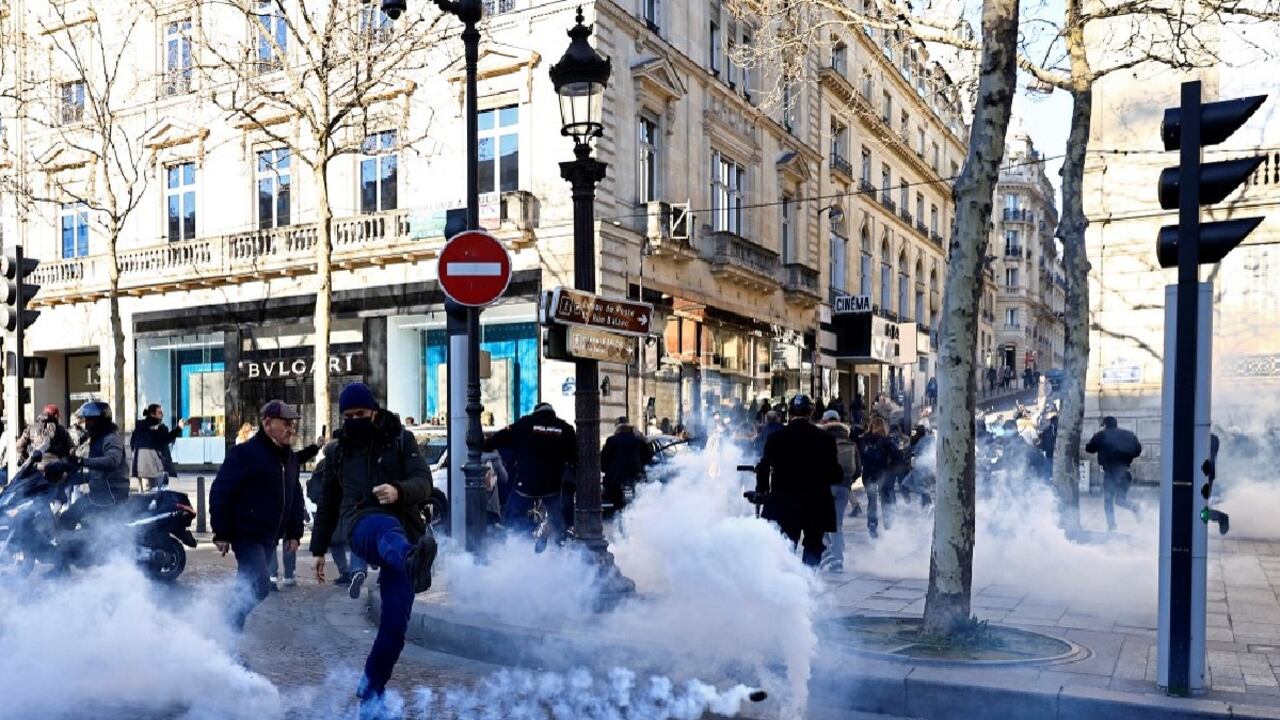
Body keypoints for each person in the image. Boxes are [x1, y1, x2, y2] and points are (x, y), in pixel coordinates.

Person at [310, 382, 437, 714]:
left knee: (395, 628)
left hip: (405, 531)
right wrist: (318, 549)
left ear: (375, 413)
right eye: (348, 416)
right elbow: (327, 502)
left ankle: (371, 688)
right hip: (361, 523)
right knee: (383, 527)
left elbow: (425, 482)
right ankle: (412, 559)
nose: (355, 420)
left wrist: (398, 490)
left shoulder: (401, 440)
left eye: (361, 414)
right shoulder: (337, 453)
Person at [210, 400, 306, 630]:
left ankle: (225, 638)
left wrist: (294, 531)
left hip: (270, 538)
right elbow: (220, 491)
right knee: (259, 585)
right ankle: (226, 631)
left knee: (246, 587)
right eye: (285, 423)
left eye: (292, 424)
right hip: (247, 534)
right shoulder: (245, 453)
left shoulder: (290, 458)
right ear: (267, 423)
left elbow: (294, 495)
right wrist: (221, 532)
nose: (291, 429)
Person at [754, 395, 842, 567]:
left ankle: (789, 581)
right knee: (813, 545)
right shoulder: (825, 439)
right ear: (811, 413)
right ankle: (808, 580)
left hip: (785, 501)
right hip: (816, 501)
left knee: (787, 543)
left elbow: (764, 467)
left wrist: (762, 490)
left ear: (790, 413)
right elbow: (834, 473)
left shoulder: (776, 438)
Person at [484, 402, 577, 538]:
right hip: (553, 484)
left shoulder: (525, 424)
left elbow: (500, 438)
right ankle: (555, 542)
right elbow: (574, 457)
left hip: (527, 482)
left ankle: (535, 529)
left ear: (536, 412)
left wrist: (484, 445)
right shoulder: (565, 428)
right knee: (557, 520)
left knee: (511, 517)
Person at [306, 454, 367, 589]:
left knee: (335, 543)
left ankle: (345, 572)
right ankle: (355, 570)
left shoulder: (324, 464)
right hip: (348, 508)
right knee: (353, 539)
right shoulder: (353, 461)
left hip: (333, 508)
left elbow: (314, 487)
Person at [1086, 416, 1143, 531]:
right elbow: (1138, 450)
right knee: (1120, 500)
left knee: (1108, 500)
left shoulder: (1102, 435)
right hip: (1125, 472)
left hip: (1110, 473)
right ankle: (1134, 507)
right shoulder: (1129, 434)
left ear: (1105, 425)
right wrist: (1126, 455)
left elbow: (1089, 448)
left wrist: (1096, 440)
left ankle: (1112, 526)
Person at [820, 410, 859, 573]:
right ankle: (838, 559)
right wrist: (848, 482)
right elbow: (858, 469)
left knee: (819, 521)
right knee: (837, 524)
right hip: (843, 486)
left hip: (825, 485)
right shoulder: (851, 443)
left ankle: (828, 549)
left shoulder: (822, 440)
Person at [858, 415, 903, 538]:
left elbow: (860, 457)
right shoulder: (887, 441)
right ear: (884, 427)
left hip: (868, 473)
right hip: (882, 472)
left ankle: (872, 523)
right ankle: (888, 524)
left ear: (871, 426)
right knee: (885, 498)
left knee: (871, 500)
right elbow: (897, 457)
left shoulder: (863, 440)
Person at [601, 417, 647, 515]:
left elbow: (604, 459)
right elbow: (648, 455)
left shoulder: (612, 440)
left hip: (616, 478)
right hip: (635, 475)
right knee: (639, 501)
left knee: (615, 503)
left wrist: (606, 469)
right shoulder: (638, 439)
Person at [131, 403, 184, 490]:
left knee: (144, 493)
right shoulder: (159, 428)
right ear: (152, 414)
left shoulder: (139, 428)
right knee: (160, 492)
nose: (162, 415)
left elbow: (132, 444)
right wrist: (178, 428)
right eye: (159, 413)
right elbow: (165, 439)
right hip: (156, 468)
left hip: (140, 468)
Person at [16, 404, 73, 471]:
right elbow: (70, 448)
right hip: (56, 468)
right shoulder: (62, 430)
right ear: (56, 416)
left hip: (35, 467)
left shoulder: (31, 428)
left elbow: (19, 446)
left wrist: (26, 457)